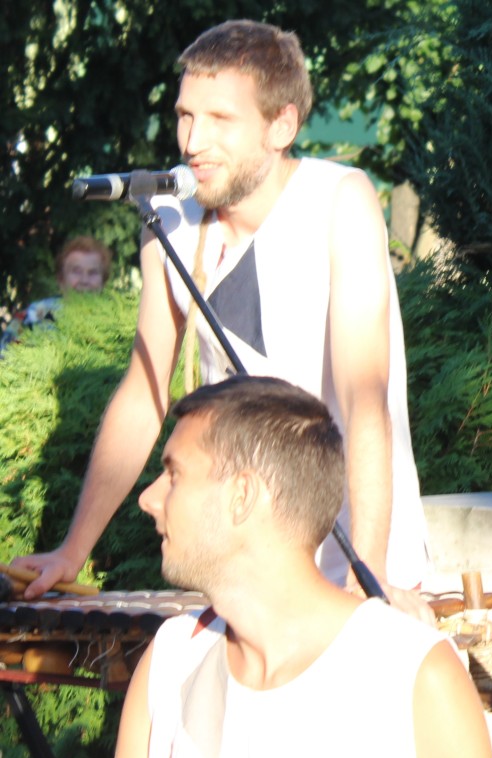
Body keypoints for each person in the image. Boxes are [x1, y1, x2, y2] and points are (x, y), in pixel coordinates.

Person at [14, 21, 431, 608]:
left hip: (357, 559)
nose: (193, 141)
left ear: (281, 125)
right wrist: (71, 551)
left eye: (219, 119)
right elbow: (143, 395)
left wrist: (370, 572)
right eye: (186, 116)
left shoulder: (340, 200)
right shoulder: (167, 219)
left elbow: (365, 395)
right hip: (241, 564)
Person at [99, 375, 492, 758]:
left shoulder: (414, 674)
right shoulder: (172, 657)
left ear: (242, 495)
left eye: (174, 474)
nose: (148, 498)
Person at [0, 235, 112, 356]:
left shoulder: (116, 323)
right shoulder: (30, 317)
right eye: (76, 271)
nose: (84, 280)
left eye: (93, 273)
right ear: (61, 279)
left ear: (103, 281)